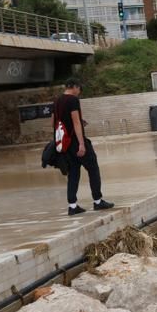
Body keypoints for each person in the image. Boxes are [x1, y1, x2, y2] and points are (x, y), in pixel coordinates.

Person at [53, 78, 114, 216]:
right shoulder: (73, 100)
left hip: (66, 144)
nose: (79, 92)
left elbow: (55, 122)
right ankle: (98, 201)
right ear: (74, 87)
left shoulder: (56, 101)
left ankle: (72, 206)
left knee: (73, 172)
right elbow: (75, 122)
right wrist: (81, 144)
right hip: (76, 142)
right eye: (79, 89)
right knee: (93, 168)